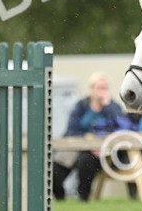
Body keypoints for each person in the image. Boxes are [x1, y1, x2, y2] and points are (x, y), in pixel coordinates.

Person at [56, 72, 135, 201]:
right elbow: (72, 130)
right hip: (81, 148)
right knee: (56, 167)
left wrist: (107, 106)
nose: (103, 91)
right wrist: (88, 142)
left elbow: (122, 128)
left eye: (105, 88)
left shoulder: (113, 107)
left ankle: (84, 198)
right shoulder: (81, 106)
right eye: (99, 88)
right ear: (91, 89)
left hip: (107, 152)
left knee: (86, 161)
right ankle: (60, 198)